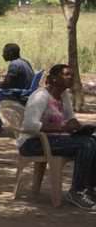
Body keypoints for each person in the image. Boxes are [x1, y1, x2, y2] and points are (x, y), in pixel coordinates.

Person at [18, 64, 96, 209]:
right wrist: (62, 127)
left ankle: (89, 189)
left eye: (72, 75)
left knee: (92, 140)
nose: (71, 77)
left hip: (54, 139)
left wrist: (77, 126)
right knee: (86, 144)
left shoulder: (64, 95)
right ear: (53, 79)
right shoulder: (40, 96)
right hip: (32, 143)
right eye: (66, 75)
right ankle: (76, 191)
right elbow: (29, 125)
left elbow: (69, 118)